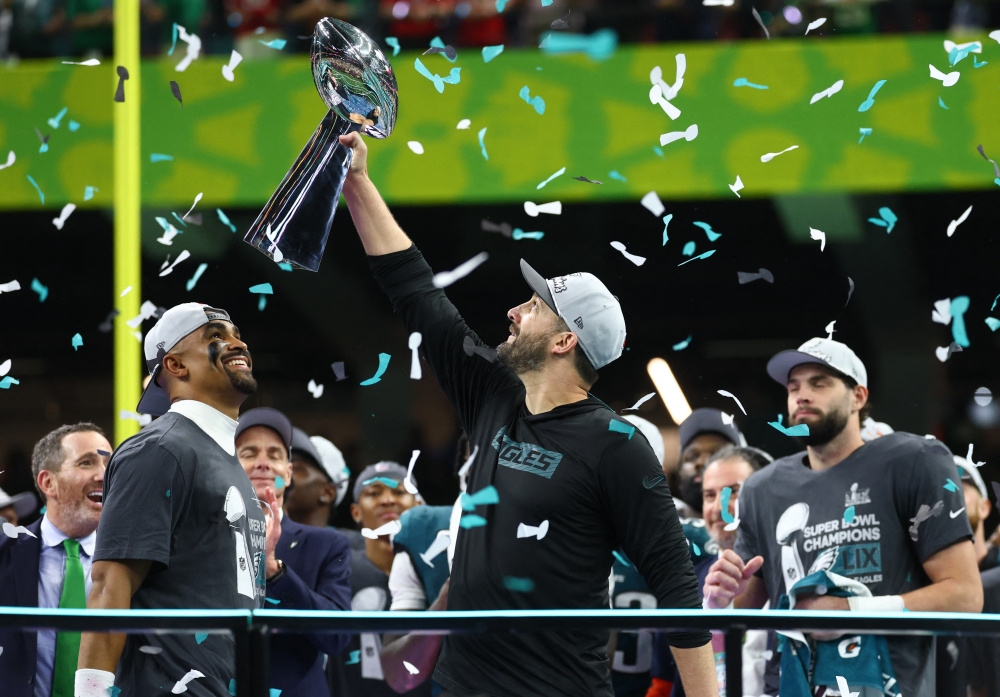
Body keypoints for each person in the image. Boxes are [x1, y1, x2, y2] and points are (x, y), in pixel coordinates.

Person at [338, 130, 717, 697]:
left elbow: (677, 585)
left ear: (565, 342)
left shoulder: (614, 444)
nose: (514, 312)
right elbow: (416, 291)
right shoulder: (494, 396)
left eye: (535, 307)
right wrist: (358, 183)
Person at [704, 337, 983, 697]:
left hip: (887, 683)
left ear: (859, 397)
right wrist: (720, 597)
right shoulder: (762, 488)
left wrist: (850, 610)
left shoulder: (914, 460)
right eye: (794, 387)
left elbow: (965, 595)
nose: (802, 395)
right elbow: (743, 608)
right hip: (790, 684)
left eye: (819, 383)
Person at [77, 303, 269, 697]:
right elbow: (109, 585)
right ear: (176, 366)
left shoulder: (219, 456)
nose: (237, 343)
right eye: (215, 336)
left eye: (235, 333)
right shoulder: (160, 449)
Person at [235, 409, 352, 697]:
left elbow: (336, 637)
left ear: (287, 474)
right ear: (228, 466)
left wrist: (275, 571)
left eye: (274, 455)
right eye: (249, 453)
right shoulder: (201, 539)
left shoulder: (326, 545)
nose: (263, 464)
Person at [651, 445, 773, 697]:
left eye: (734, 492)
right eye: (709, 495)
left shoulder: (789, 572)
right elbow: (666, 680)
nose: (719, 506)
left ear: (767, 494)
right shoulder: (684, 583)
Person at [0, 423, 111, 697]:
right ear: (47, 482)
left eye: (111, 464)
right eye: (87, 463)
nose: (103, 475)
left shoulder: (139, 563)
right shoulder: (5, 554)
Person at [328, 462, 425, 697]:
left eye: (399, 492)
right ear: (356, 512)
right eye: (374, 493)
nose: (387, 500)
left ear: (419, 505)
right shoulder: (336, 565)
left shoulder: (441, 566)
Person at [675, 408, 744, 517]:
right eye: (692, 457)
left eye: (717, 455)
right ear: (679, 470)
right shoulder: (659, 528)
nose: (701, 462)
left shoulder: (763, 528)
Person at [284, 429, 351, 529]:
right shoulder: (257, 541)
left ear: (328, 493)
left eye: (296, 468)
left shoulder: (351, 544)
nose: (279, 473)